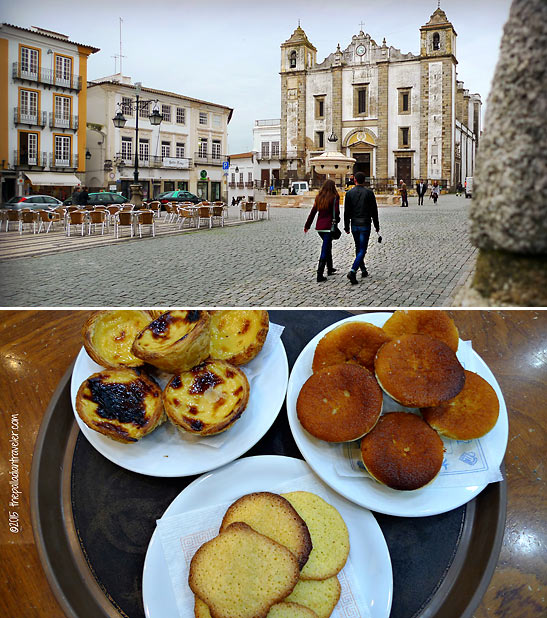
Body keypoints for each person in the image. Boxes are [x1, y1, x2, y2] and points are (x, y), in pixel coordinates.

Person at [344, 171, 380, 284]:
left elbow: (346, 212)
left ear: (354, 180)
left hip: (354, 224)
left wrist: (346, 226)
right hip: (365, 224)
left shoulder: (349, 194)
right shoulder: (369, 193)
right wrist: (376, 225)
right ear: (364, 181)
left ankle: (363, 269)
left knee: (358, 247)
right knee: (362, 249)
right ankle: (353, 271)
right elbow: (374, 211)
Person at [304, 179, 340, 282]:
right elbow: (336, 212)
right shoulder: (334, 197)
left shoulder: (319, 197)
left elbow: (313, 212)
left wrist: (307, 225)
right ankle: (320, 273)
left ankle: (330, 268)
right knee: (325, 248)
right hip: (329, 226)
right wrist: (337, 220)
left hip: (320, 227)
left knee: (327, 245)